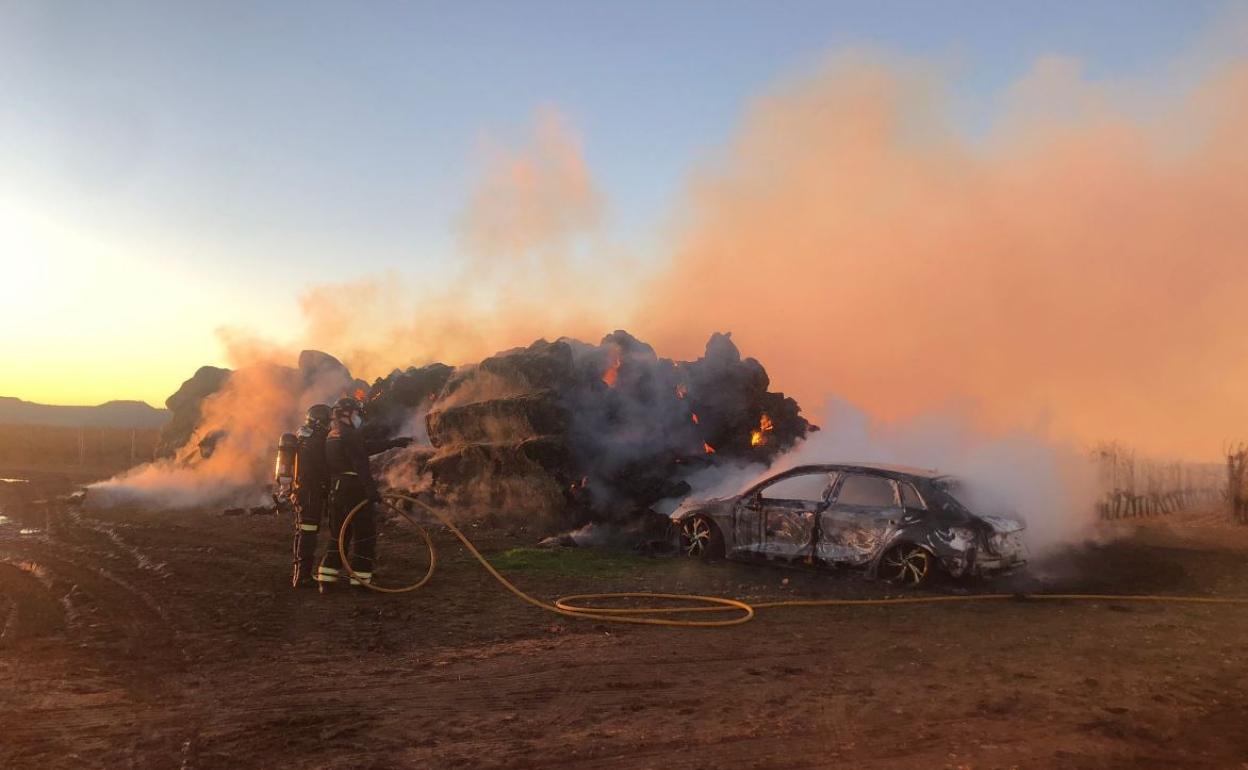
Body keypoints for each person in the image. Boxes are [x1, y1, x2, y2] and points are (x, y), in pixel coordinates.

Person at [316, 397, 411, 592]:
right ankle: (361, 581)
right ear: (347, 414)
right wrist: (371, 490)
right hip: (354, 489)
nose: (359, 417)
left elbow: (362, 449)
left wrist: (392, 443)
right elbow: (360, 463)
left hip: (337, 489)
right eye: (357, 413)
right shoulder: (350, 434)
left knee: (339, 534)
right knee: (364, 535)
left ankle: (326, 579)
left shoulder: (333, 434)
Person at [289, 404, 331, 588]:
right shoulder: (317, 441)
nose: (330, 424)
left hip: (301, 492)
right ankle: (303, 577)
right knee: (308, 534)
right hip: (311, 494)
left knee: (302, 533)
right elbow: (324, 468)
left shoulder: (303, 438)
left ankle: (299, 575)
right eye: (328, 421)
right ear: (320, 421)